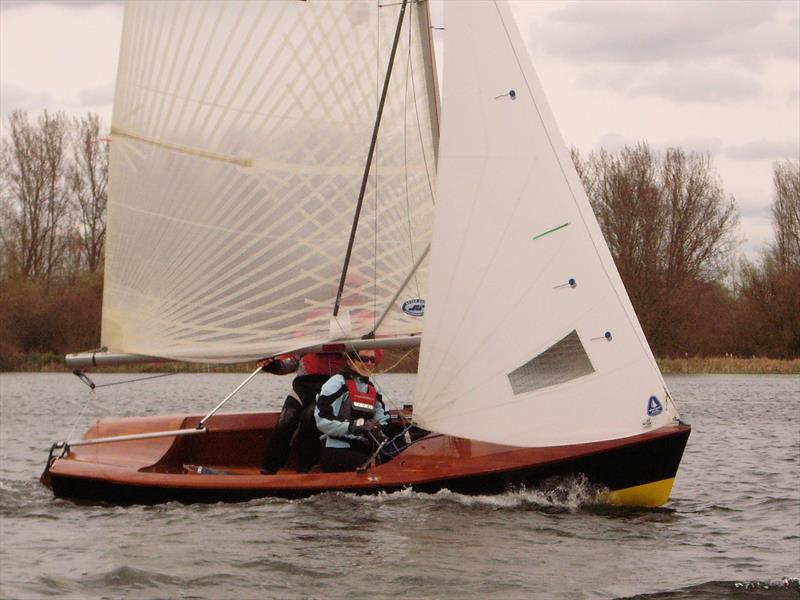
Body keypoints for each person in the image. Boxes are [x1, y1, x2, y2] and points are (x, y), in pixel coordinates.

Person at [258, 352, 346, 474]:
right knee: (286, 418)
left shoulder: (345, 341)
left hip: (330, 386)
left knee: (309, 418)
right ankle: (268, 469)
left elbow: (370, 357)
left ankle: (305, 469)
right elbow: (287, 364)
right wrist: (270, 364)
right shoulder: (304, 337)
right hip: (303, 386)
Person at [315, 349, 389, 473]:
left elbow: (383, 419)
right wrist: (352, 427)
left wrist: (380, 429)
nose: (369, 363)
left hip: (362, 448)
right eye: (363, 359)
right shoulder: (337, 383)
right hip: (336, 449)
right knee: (377, 470)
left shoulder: (374, 389)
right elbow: (322, 420)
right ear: (350, 362)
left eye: (372, 360)